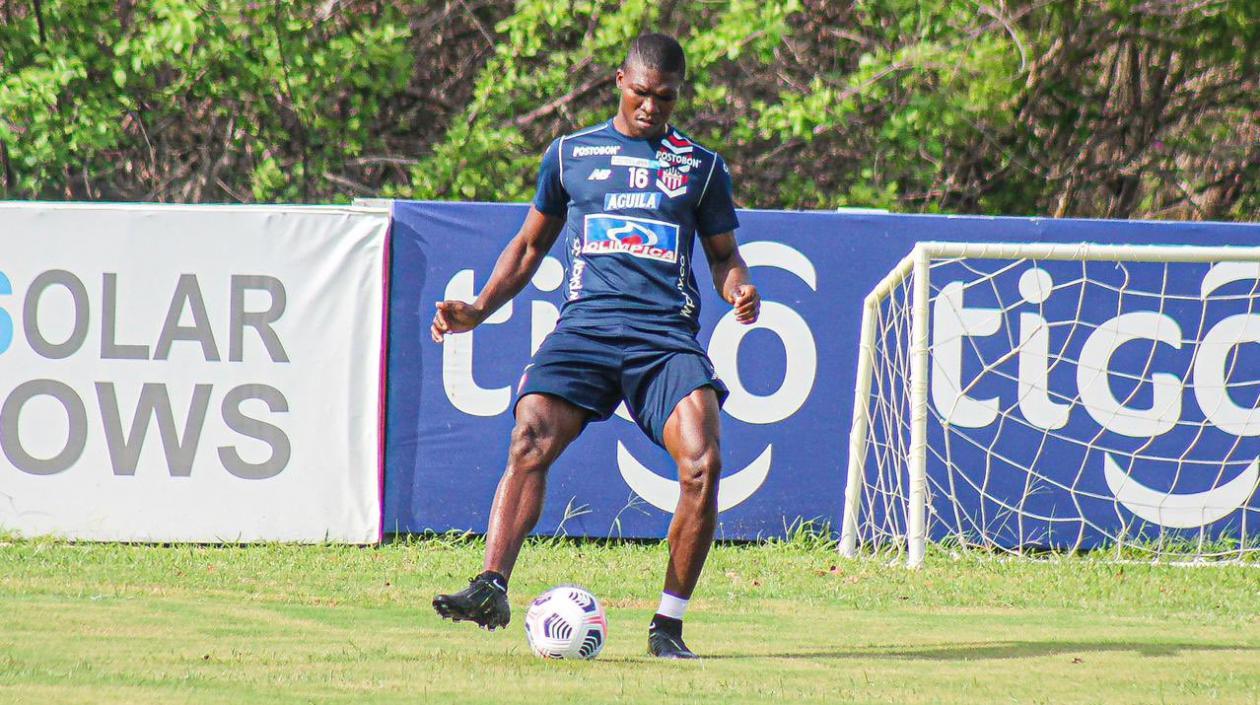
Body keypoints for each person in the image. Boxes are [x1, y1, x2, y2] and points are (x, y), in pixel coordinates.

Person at [429, 32, 759, 660]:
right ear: (618, 81)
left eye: (665, 97)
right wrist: (477, 308)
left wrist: (740, 288)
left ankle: (668, 625)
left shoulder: (701, 166)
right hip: (585, 327)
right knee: (530, 435)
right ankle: (490, 586)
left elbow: (724, 258)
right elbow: (529, 248)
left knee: (703, 464)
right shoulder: (570, 154)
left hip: (663, 338)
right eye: (641, 93)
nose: (651, 107)